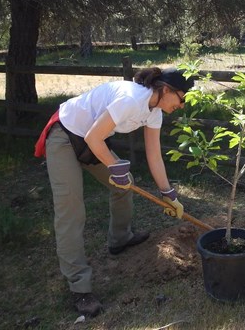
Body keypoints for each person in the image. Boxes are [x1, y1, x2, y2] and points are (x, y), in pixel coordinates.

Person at [34, 67, 195, 317]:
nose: (182, 105)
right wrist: (113, 166)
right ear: (165, 89)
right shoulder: (131, 99)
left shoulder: (154, 112)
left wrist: (168, 193)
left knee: (124, 184)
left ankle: (119, 239)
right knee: (71, 211)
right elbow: (92, 136)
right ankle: (80, 288)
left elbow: (154, 155)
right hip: (65, 136)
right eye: (181, 98)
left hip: (91, 141)